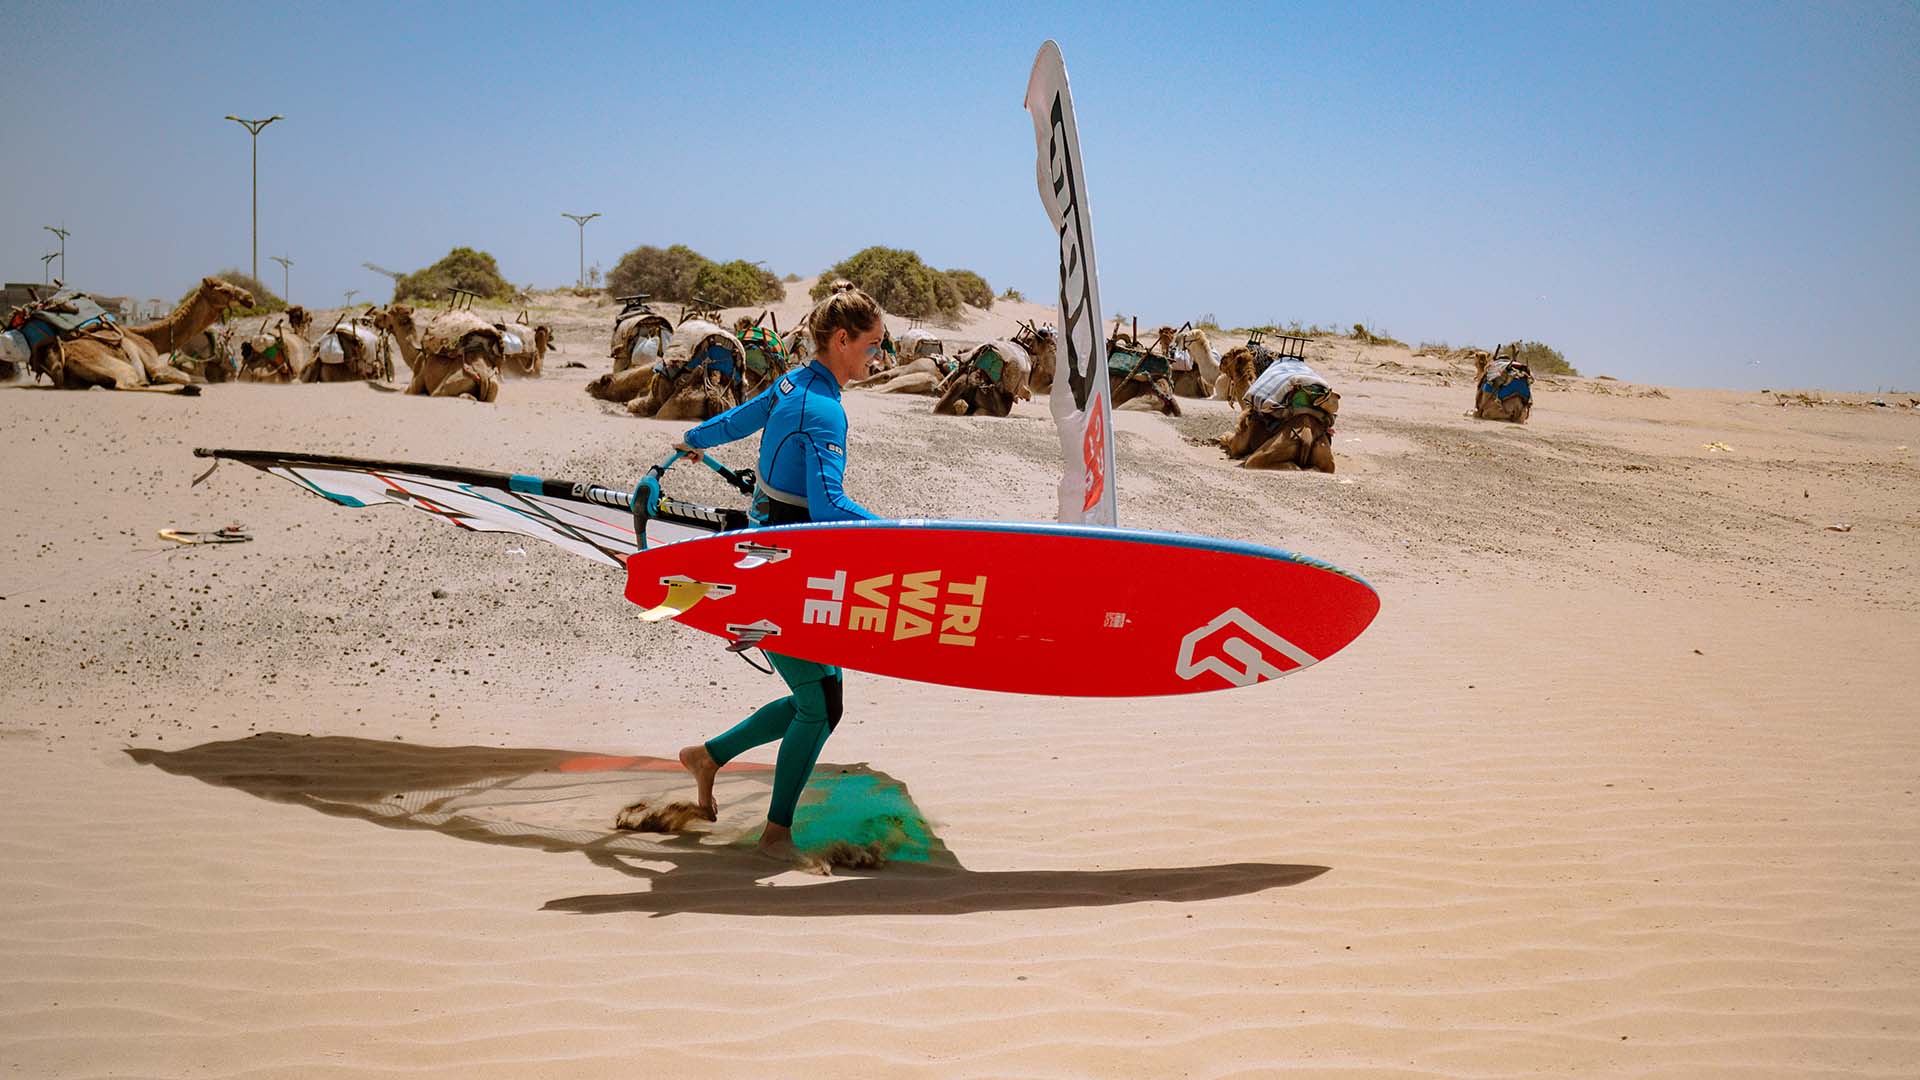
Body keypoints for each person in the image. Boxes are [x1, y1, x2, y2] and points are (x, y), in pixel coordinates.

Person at [672, 285, 886, 864]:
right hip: (775, 572)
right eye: (871, 346)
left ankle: (707, 757)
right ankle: (775, 837)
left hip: (778, 559)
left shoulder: (793, 382)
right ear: (841, 341)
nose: (877, 359)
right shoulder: (822, 410)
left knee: (824, 699)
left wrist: (694, 439)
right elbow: (829, 508)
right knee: (817, 703)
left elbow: (743, 417)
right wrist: (906, 533)